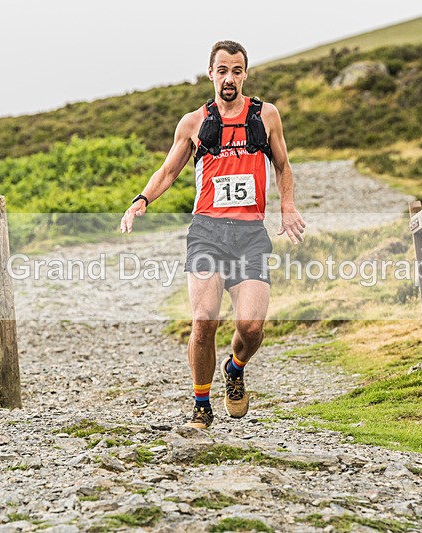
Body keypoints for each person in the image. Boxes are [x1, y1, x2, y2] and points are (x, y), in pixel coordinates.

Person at [120, 40, 305, 429]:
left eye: (236, 71)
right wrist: (142, 199)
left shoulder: (265, 116)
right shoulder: (193, 122)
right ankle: (201, 406)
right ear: (211, 74)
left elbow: (283, 165)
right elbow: (168, 171)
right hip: (207, 232)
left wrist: (287, 206)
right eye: (222, 70)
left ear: (245, 75)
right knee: (204, 320)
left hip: (251, 234)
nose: (229, 78)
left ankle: (234, 370)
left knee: (251, 328)